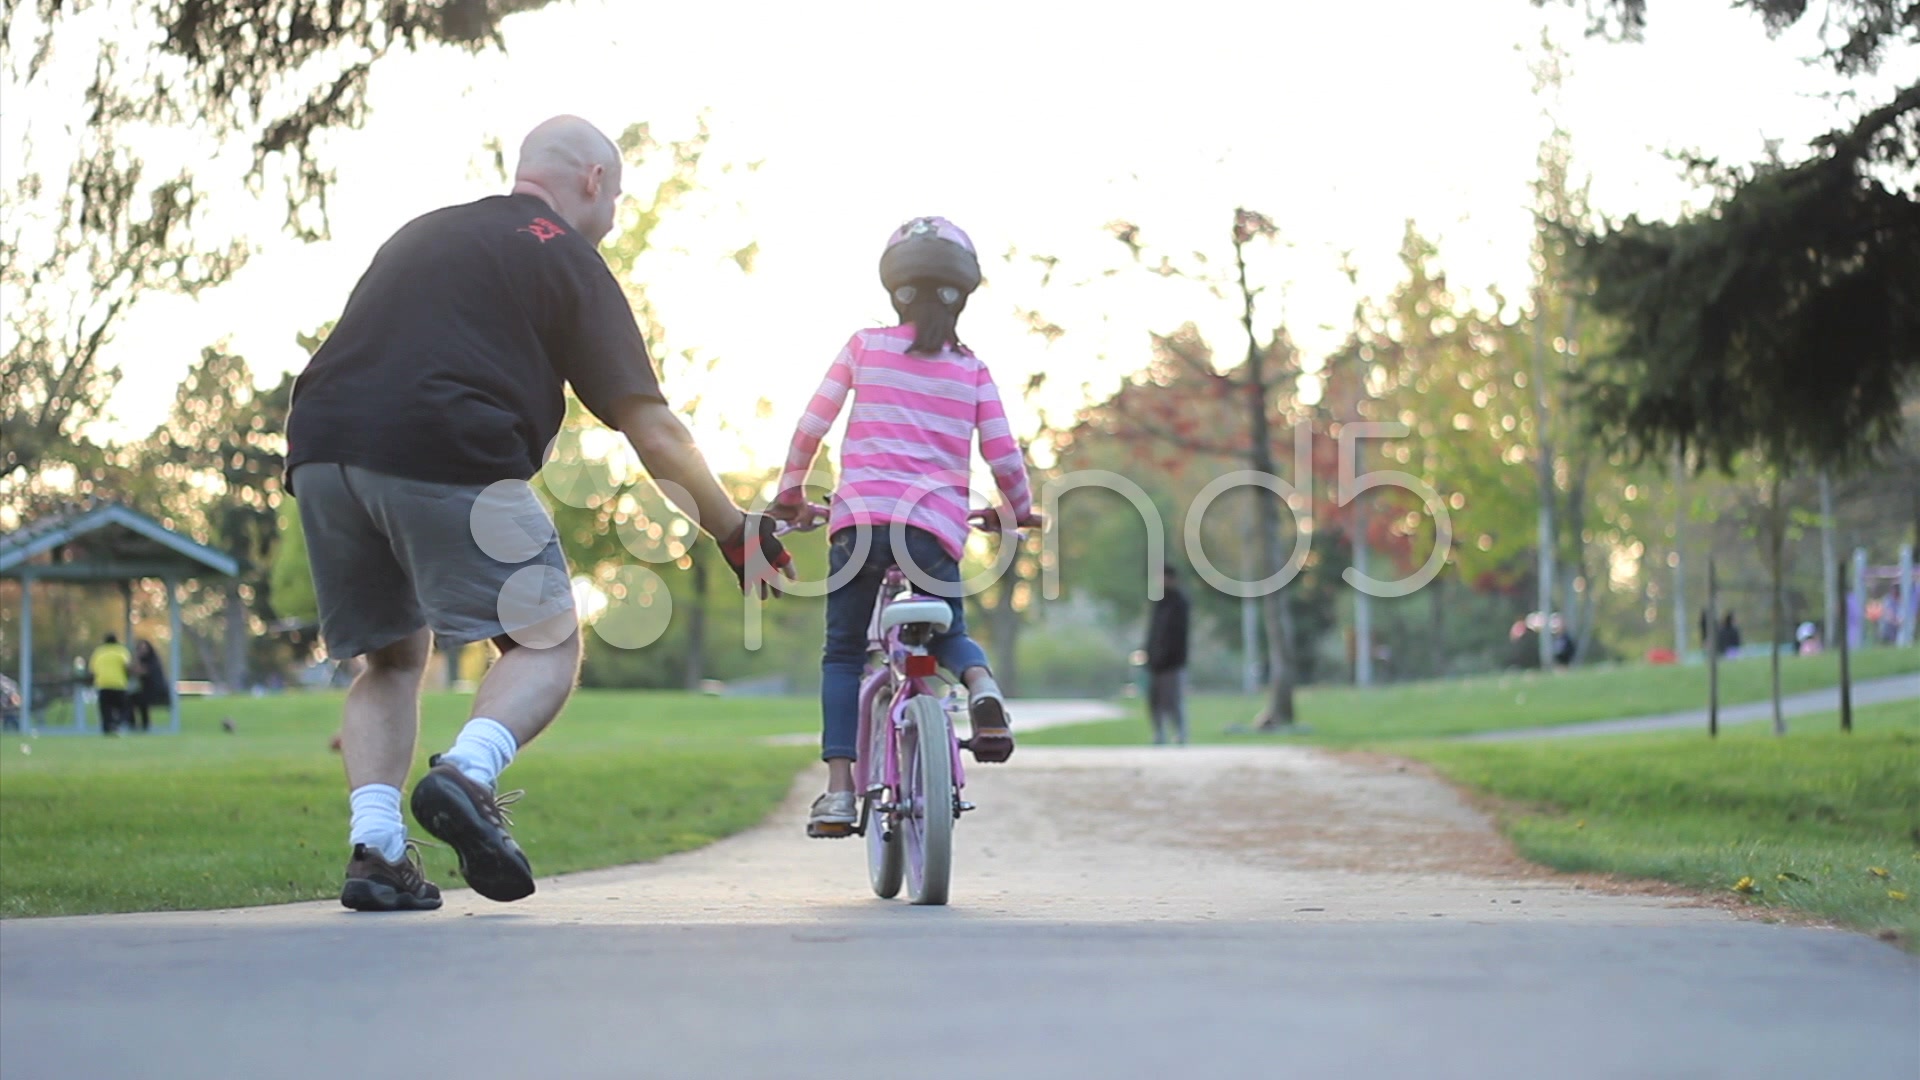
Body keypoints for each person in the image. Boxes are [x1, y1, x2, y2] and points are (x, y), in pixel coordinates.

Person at [285, 115, 791, 912]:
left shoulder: (424, 233)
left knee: (388, 661)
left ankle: (376, 852)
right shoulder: (562, 252)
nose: (615, 212)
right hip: (444, 441)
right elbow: (651, 426)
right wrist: (735, 532)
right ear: (592, 181)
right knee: (545, 639)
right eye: (617, 194)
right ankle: (468, 774)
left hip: (319, 449)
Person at [773, 215, 1038, 839]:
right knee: (947, 631)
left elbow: (812, 426)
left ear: (895, 289)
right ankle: (981, 686)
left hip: (858, 528)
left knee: (842, 654)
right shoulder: (972, 370)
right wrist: (1017, 510)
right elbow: (1004, 455)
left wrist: (791, 494)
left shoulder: (865, 346)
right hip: (933, 534)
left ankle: (839, 793)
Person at [1144, 563, 1190, 745]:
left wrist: (1171, 656)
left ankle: (1180, 733)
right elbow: (1153, 632)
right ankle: (1159, 733)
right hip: (1155, 662)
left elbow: (1178, 634)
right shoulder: (1159, 603)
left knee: (1173, 700)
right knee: (1154, 700)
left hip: (1172, 662)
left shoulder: (1179, 603)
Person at [88, 633, 133, 735]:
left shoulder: (99, 652)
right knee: (123, 708)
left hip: (103, 684)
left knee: (105, 709)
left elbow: (92, 670)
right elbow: (127, 667)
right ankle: (117, 723)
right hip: (119, 684)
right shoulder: (121, 651)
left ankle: (107, 728)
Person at [130, 639, 169, 732]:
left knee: (131, 699)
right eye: (140, 648)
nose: (142, 651)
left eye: (144, 648)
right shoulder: (144, 660)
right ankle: (142, 725)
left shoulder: (152, 661)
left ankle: (136, 725)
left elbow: (141, 671)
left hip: (157, 692)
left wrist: (129, 668)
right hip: (147, 691)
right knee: (134, 698)